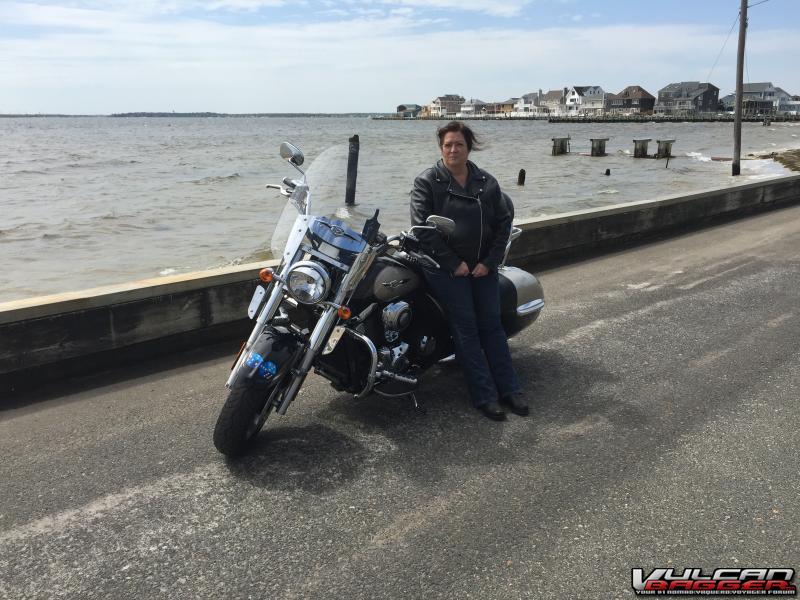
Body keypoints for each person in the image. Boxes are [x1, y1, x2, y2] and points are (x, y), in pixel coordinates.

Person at [409, 121, 528, 421]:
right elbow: (422, 229)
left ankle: (510, 390)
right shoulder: (428, 182)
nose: (453, 149)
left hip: (482, 268)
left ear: (468, 147)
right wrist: (454, 264)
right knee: (467, 328)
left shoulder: (486, 182)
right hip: (445, 269)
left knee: (492, 325)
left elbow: (503, 224)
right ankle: (485, 396)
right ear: (441, 148)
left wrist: (489, 261)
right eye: (447, 144)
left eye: (458, 144)